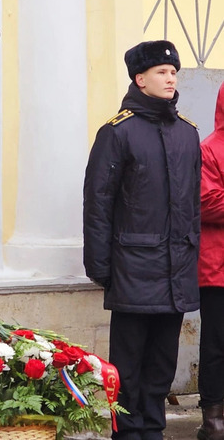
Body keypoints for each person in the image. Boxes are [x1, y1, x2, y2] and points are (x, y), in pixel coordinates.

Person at [83, 40, 200, 440]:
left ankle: (153, 430)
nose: (171, 78)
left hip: (177, 271)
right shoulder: (118, 133)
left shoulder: (188, 134)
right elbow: (98, 203)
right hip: (132, 268)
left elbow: (193, 208)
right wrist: (100, 266)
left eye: (174, 73)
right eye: (162, 73)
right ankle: (128, 433)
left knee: (163, 361)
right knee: (128, 364)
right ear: (140, 79)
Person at [197, 80, 224, 440]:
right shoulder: (209, 149)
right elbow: (206, 202)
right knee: (217, 345)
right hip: (218, 269)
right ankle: (214, 418)